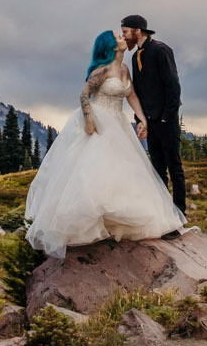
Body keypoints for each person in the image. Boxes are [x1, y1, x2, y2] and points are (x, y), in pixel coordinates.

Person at [22, 29, 186, 259]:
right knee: (94, 170)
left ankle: (117, 221)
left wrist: (142, 120)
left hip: (118, 122)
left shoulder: (125, 69)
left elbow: (131, 97)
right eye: (118, 37)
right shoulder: (102, 70)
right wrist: (89, 119)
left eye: (123, 34)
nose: (122, 38)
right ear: (110, 46)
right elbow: (84, 95)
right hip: (99, 120)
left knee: (121, 171)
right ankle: (88, 222)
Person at [121, 14, 187, 213]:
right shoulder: (135, 57)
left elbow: (173, 87)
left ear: (138, 31)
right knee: (157, 170)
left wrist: (166, 117)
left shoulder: (161, 51)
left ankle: (179, 214)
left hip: (166, 121)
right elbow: (138, 92)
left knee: (174, 168)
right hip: (150, 121)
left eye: (125, 32)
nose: (124, 37)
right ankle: (163, 214)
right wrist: (140, 120)